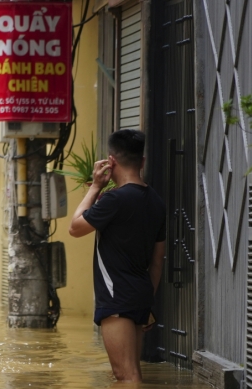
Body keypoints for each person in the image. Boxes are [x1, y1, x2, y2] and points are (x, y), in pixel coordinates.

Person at [68, 129, 166, 382]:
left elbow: (75, 228)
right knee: (131, 373)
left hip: (116, 297)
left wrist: (96, 187)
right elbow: (157, 261)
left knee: (125, 376)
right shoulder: (156, 201)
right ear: (141, 161)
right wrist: (146, 301)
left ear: (111, 161)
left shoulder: (113, 200)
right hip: (141, 295)